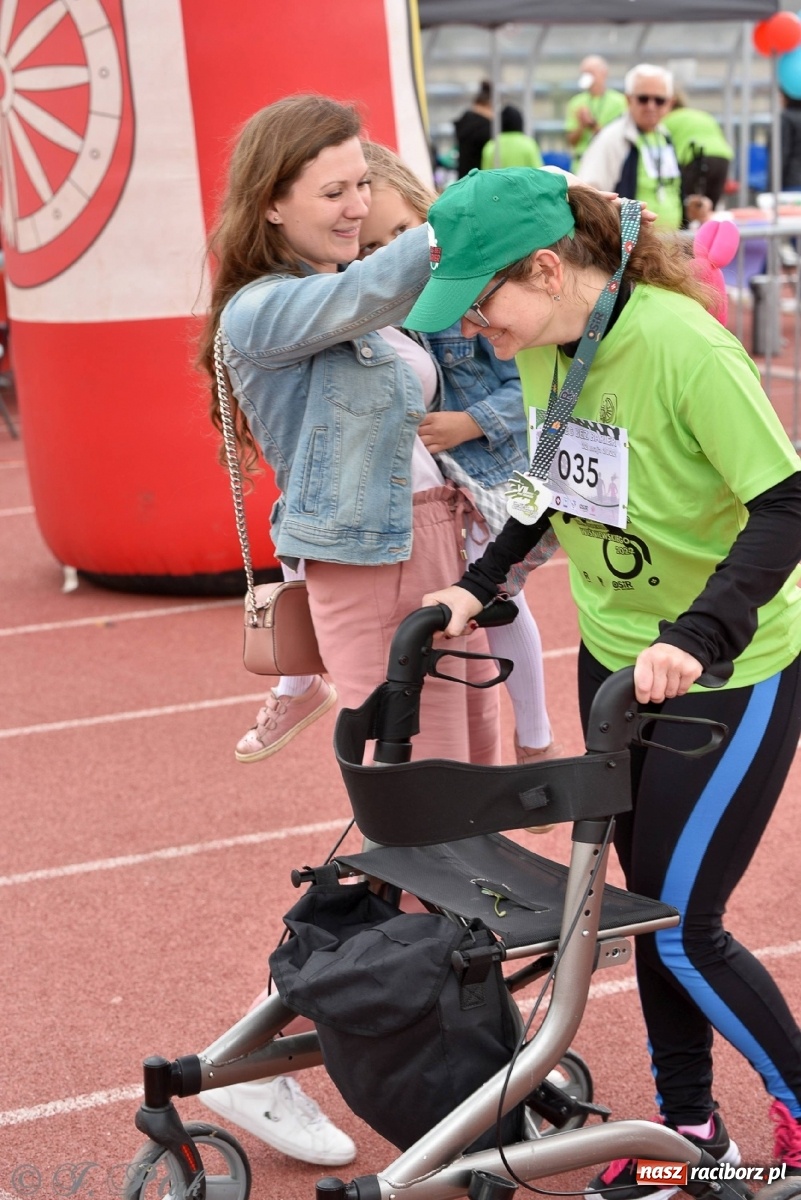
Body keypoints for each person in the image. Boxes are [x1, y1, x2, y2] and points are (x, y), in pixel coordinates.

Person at [403, 166, 801, 1187]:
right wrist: (481, 584)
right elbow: (551, 477)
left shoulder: (682, 346)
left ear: (546, 267)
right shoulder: (553, 342)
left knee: (682, 924)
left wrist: (702, 634)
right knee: (649, 910)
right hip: (618, 661)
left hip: (724, 671)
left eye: (483, 308)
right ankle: (689, 1137)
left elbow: (789, 504)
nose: (473, 333)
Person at [195, 94, 503, 1160]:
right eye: (334, 190)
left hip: (436, 554)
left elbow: (451, 391)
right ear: (271, 204)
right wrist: (459, 221)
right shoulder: (263, 312)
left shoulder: (338, 291)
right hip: (363, 569)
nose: (356, 204)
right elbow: (386, 285)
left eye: (363, 184)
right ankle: (270, 1053)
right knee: (413, 832)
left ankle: (456, 1058)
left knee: (466, 829)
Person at [359, 139, 556, 762]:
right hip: (440, 488)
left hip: (490, 472)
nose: (388, 254)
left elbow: (524, 385)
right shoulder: (381, 311)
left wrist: (469, 422)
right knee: (463, 604)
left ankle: (536, 734)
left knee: (500, 591)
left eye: (400, 232)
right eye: (369, 248)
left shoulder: (458, 305)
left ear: (425, 218)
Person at [578, 63, 684, 230]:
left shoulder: (664, 136)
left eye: (659, 100)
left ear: (670, 104)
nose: (651, 106)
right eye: (643, 99)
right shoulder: (611, 139)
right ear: (628, 99)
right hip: (629, 249)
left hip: (666, 247)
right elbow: (588, 195)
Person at [662, 92, 734, 210]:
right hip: (723, 157)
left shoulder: (667, 120)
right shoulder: (701, 115)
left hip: (695, 158)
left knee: (689, 207)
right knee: (709, 209)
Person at [564, 55, 627, 170]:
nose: (587, 77)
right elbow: (571, 141)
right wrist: (581, 126)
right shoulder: (576, 102)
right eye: (584, 73)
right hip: (581, 164)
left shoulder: (620, 102)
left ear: (604, 73)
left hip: (608, 164)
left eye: (591, 72)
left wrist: (592, 124)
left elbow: (618, 139)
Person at [481, 105, 543, 172]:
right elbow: (538, 172)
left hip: (499, 182)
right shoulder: (529, 145)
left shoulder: (491, 146)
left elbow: (485, 175)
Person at [454, 79, 493, 177]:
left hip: (463, 179)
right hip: (480, 181)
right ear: (488, 105)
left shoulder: (464, 123)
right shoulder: (486, 128)